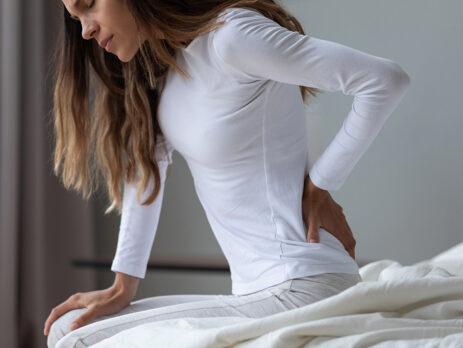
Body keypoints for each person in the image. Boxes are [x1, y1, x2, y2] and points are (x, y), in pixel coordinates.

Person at [44, 0, 411, 347]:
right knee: (72, 325)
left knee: (75, 340)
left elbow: (384, 79)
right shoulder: (173, 60)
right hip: (258, 292)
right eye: (76, 20)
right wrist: (123, 285)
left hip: (303, 284)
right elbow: (147, 171)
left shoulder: (232, 37)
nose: (85, 32)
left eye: (89, 5)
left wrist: (321, 185)